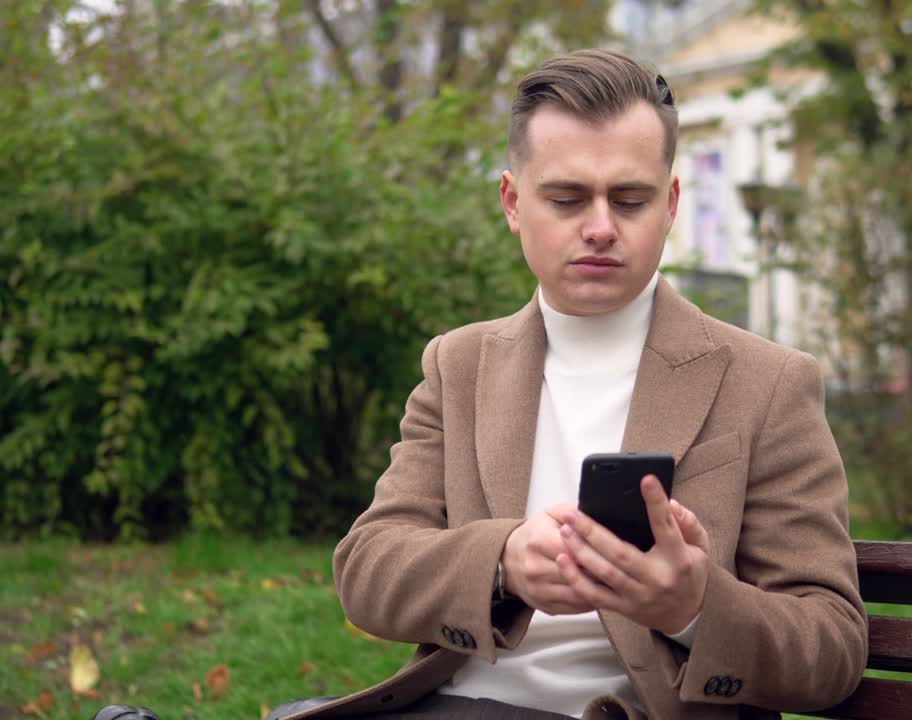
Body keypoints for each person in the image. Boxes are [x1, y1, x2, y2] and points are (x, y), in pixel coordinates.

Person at [98, 47, 867, 720]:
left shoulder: (769, 382)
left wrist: (695, 606)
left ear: (669, 206)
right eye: (567, 199)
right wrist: (502, 562)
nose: (600, 225)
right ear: (511, 202)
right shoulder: (458, 365)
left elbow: (831, 648)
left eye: (629, 200)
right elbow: (367, 570)